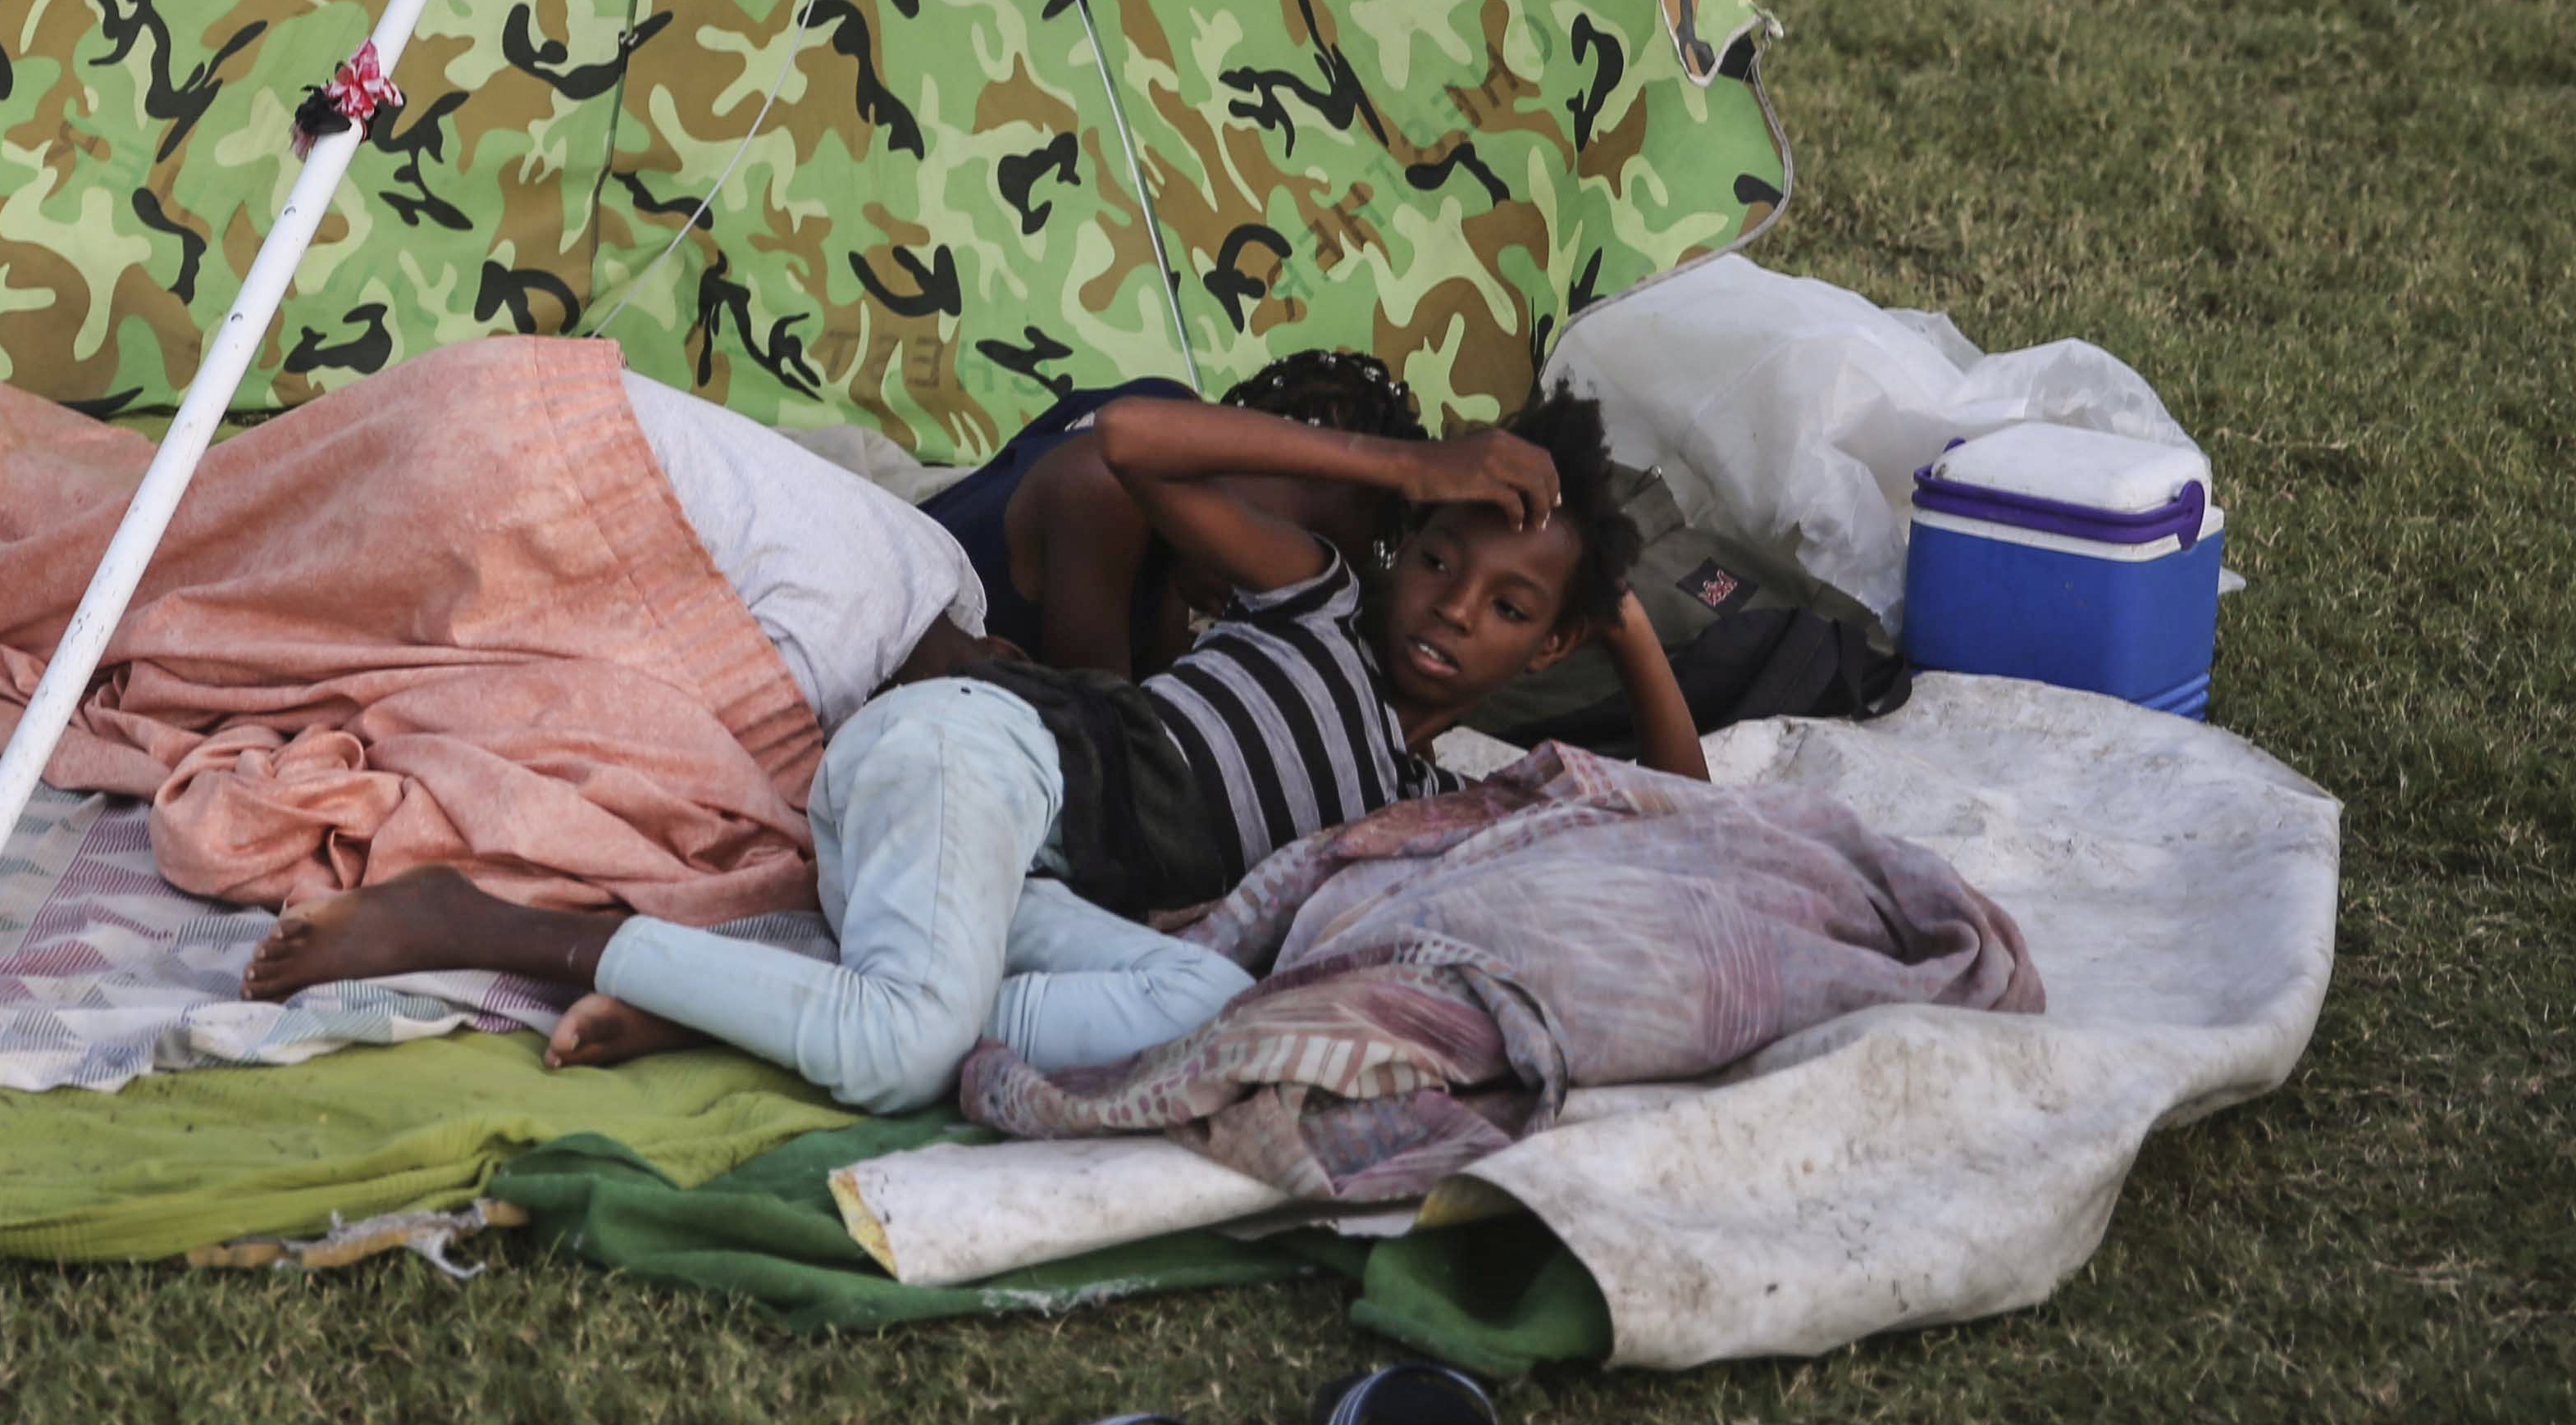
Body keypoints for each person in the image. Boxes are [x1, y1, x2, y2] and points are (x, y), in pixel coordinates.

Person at [239, 388, 1709, 1113]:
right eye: (1438, 562)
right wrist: (1401, 471)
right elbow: (1127, 444)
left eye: (1511, 607)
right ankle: (503, 927)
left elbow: (1679, 818)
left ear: (1553, 649)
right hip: (978, 756)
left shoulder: (1419, 794)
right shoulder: (1317, 605)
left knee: (1208, 999)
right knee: (900, 1058)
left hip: (1007, 867)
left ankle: (755, 997)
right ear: (1394, 554)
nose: (1453, 610)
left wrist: (1627, 624)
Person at [919, 348, 1421, 679]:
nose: (1271, 571)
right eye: (1289, 538)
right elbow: (1108, 748)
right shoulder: (1105, 489)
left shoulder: (1165, 403)